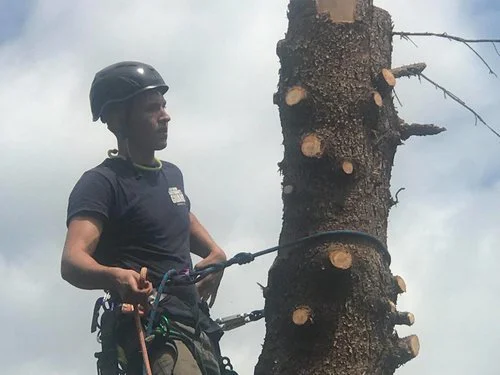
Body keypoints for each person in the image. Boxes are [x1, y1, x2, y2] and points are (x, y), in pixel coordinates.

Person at [61, 61, 227, 375]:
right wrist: (115, 276)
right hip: (154, 332)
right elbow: (72, 261)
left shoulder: (171, 176)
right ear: (117, 120)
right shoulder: (102, 183)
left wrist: (217, 256)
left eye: (163, 106)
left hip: (195, 326)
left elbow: (178, 215)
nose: (165, 115)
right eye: (152, 108)